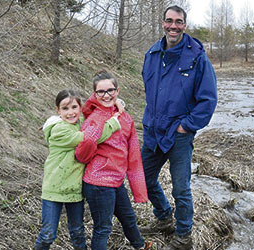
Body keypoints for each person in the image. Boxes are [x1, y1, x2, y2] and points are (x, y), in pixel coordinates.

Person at [140, 5, 218, 250]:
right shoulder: (152, 54)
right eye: (169, 21)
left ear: (185, 25)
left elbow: (208, 99)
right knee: (143, 178)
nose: (173, 26)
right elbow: (149, 90)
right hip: (154, 130)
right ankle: (164, 217)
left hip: (179, 135)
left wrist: (186, 126)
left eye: (178, 22)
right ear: (163, 23)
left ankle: (183, 236)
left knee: (181, 189)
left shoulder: (197, 58)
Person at [34, 89, 123, 250]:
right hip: (54, 189)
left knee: (77, 232)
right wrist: (114, 122)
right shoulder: (58, 130)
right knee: (48, 234)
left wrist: (111, 100)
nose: (71, 112)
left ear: (80, 107)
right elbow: (90, 139)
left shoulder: (80, 125)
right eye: (65, 109)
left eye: (74, 107)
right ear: (58, 110)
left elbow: (92, 106)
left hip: (74, 189)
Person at [75, 70, 152, 250]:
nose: (106, 95)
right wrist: (91, 139)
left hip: (116, 181)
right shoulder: (93, 119)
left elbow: (133, 155)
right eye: (101, 92)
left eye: (110, 90)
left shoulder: (125, 118)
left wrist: (139, 189)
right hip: (98, 183)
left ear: (117, 91)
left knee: (129, 219)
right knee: (103, 228)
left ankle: (140, 246)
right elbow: (81, 155)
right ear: (94, 95)